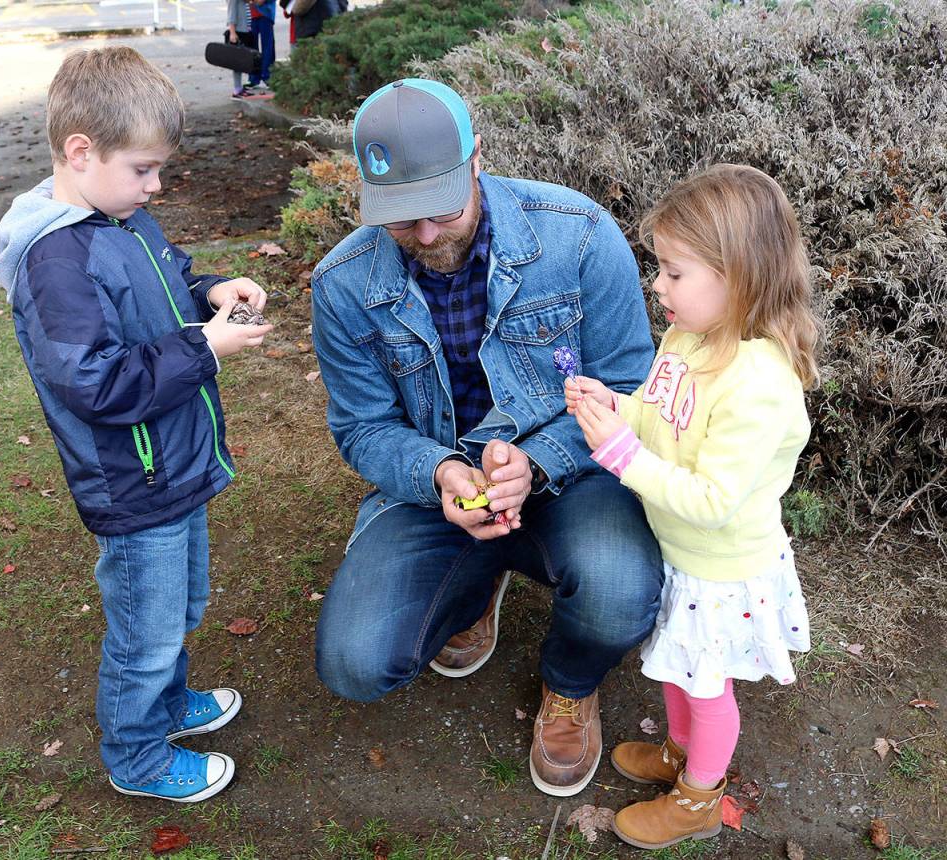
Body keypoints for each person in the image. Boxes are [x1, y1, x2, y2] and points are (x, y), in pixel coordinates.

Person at [311, 78, 663, 797]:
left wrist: (536, 462)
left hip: (575, 470)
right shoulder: (343, 283)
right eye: (401, 221)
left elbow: (630, 390)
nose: (426, 236)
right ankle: (476, 583)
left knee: (622, 593)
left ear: (477, 162)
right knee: (354, 662)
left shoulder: (581, 234)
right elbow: (362, 428)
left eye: (438, 210)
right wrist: (438, 471)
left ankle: (569, 682)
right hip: (435, 490)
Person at [0, 46, 273, 803]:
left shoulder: (122, 216)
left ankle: (168, 706)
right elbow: (98, 384)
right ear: (81, 152)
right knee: (144, 633)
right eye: (144, 169)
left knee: (180, 606)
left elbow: (172, 275)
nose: (157, 185)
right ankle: (137, 756)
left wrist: (213, 290)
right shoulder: (55, 261)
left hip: (175, 463)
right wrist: (205, 348)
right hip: (133, 480)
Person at [565, 164, 819, 849]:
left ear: (736, 275)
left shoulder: (759, 382)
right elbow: (658, 416)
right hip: (680, 554)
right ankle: (681, 756)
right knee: (679, 670)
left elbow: (711, 499)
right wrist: (614, 407)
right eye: (661, 269)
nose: (658, 285)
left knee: (708, 690)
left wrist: (620, 454)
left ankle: (700, 798)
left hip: (722, 567)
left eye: (675, 272)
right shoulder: (686, 338)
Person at [226, 0, 268, 100]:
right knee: (237, 62)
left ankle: (239, 88)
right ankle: (237, 89)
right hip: (238, 31)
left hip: (244, 30)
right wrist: (232, 32)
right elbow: (231, 15)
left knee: (240, 62)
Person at [247, 0, 277, 96]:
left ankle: (268, 76)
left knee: (268, 47)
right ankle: (253, 77)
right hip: (250, 15)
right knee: (251, 48)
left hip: (265, 13)